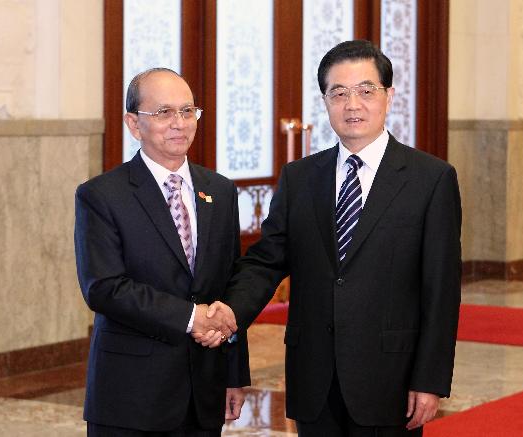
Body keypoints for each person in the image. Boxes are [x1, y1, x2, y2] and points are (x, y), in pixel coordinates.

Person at [197, 40, 462, 436]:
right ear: (325, 101)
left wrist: (430, 379)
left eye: (365, 91)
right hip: (313, 377)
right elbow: (266, 261)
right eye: (338, 93)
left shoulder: (431, 179)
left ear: (389, 96)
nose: (352, 104)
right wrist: (230, 314)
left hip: (390, 379)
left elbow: (441, 290)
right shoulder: (300, 178)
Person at [74, 67, 249, 436]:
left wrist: (234, 374)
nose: (179, 123)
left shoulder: (220, 190)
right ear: (133, 124)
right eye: (163, 112)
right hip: (131, 396)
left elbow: (230, 287)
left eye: (188, 111)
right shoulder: (102, 195)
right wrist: (191, 317)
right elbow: (103, 287)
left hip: (204, 391)